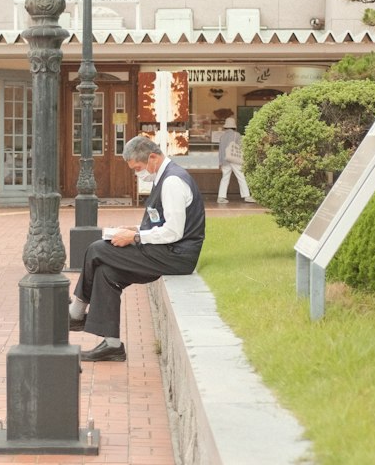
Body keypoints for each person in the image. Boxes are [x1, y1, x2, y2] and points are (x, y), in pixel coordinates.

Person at [70, 135, 206, 363]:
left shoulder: (173, 181)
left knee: (96, 249)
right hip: (166, 251)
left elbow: (174, 231)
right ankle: (112, 345)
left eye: (139, 168)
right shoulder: (163, 177)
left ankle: (76, 312)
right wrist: (133, 229)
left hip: (176, 256)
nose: (138, 173)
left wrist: (134, 236)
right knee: (106, 273)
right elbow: (161, 222)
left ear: (153, 157)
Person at [217, 116, 255, 204]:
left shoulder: (222, 136)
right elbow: (241, 147)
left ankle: (221, 197)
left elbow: (220, 150)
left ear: (226, 126)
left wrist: (220, 163)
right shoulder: (237, 135)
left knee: (225, 178)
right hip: (234, 159)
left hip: (225, 160)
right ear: (234, 126)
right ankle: (247, 196)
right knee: (241, 177)